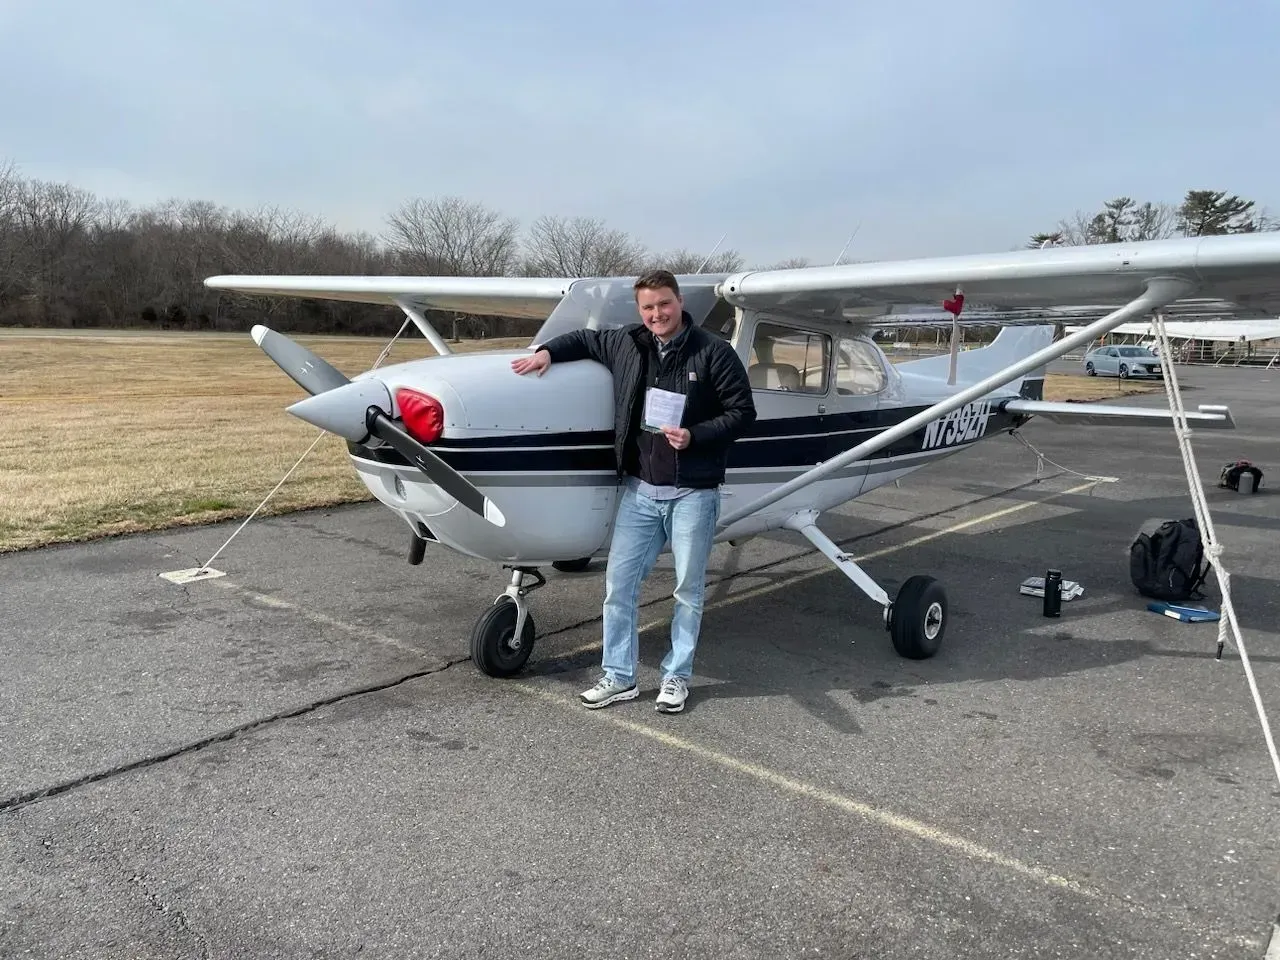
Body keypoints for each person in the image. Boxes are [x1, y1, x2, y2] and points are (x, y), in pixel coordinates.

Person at [510, 269, 756, 713]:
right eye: (648, 307)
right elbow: (584, 340)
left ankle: (676, 677)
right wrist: (547, 351)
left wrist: (695, 435)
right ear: (640, 310)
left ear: (679, 302)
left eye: (664, 303)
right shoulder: (627, 342)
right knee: (619, 588)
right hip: (640, 491)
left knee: (687, 591)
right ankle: (619, 676)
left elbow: (743, 412)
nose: (657, 314)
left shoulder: (713, 351)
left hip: (693, 493)